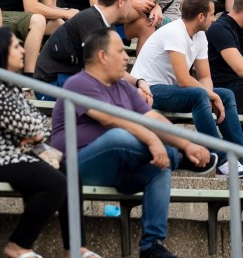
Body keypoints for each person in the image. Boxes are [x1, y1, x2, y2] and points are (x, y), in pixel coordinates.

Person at [51, 27, 215, 258]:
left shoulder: (124, 87)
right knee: (120, 136)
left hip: (117, 167)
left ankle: (152, 245)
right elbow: (111, 120)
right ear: (102, 56)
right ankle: (176, 157)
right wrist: (155, 143)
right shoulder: (80, 83)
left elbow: (154, 118)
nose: (127, 56)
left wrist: (187, 144)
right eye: (120, 51)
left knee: (159, 168)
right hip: (77, 166)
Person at [0, 27, 98, 258]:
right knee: (55, 183)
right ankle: (19, 245)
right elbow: (31, 126)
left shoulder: (10, 85)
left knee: (72, 171)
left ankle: (75, 248)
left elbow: (38, 124)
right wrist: (31, 130)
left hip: (19, 154)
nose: (23, 50)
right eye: (16, 46)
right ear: (0, 52)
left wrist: (32, 130)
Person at [132, 0, 243, 177]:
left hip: (171, 89)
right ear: (200, 16)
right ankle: (221, 160)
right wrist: (210, 95)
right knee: (200, 95)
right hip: (148, 90)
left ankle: (241, 160)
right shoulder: (175, 31)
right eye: (212, 14)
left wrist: (212, 95)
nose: (214, 18)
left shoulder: (200, 35)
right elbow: (184, 79)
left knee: (225, 94)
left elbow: (205, 76)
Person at [36, 0, 151, 92]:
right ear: (121, 2)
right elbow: (101, 69)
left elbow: (111, 67)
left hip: (71, 80)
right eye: (131, 0)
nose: (132, 5)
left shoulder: (106, 22)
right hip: (52, 84)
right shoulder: (90, 20)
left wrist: (138, 82)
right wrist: (133, 91)